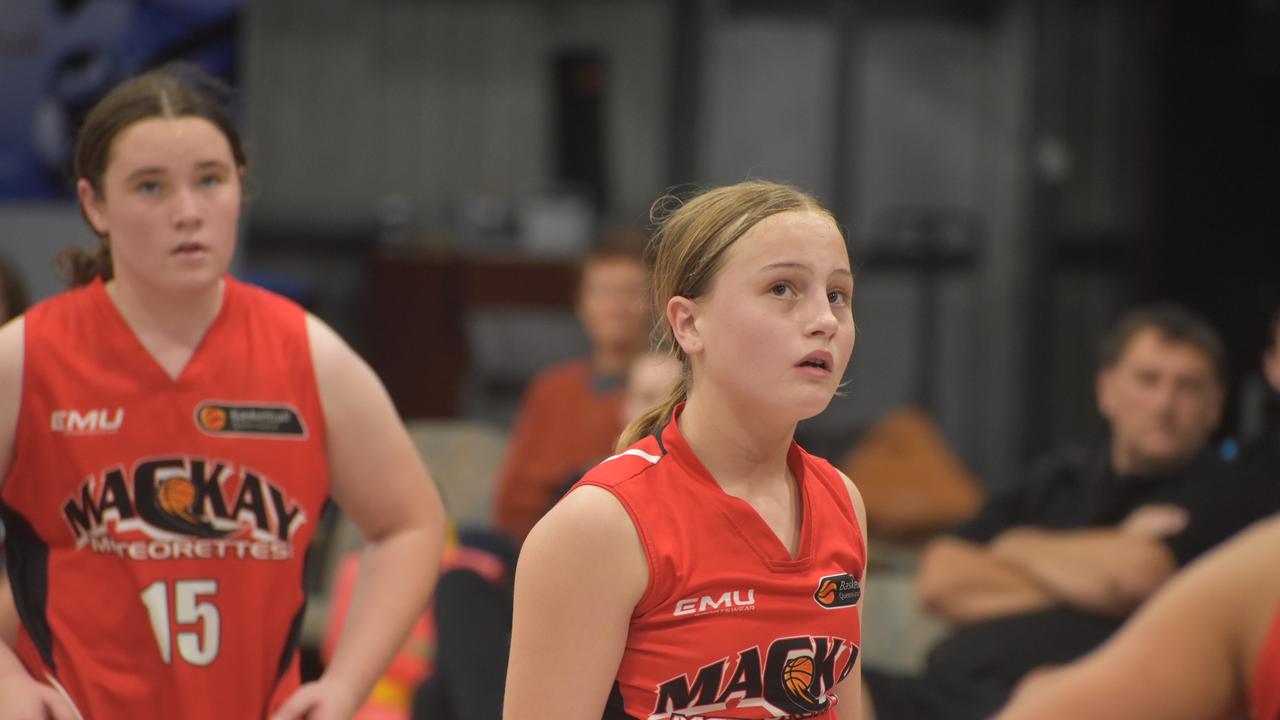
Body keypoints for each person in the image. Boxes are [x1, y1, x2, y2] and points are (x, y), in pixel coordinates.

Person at [0, 66, 446, 720]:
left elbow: (410, 523)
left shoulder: (311, 354)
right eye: (149, 187)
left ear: (239, 185)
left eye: (210, 180)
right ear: (94, 205)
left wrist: (346, 683)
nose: (187, 212)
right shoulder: (25, 356)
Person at [504, 180, 868, 719]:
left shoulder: (842, 499)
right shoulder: (601, 523)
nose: (825, 320)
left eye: (837, 294)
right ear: (689, 323)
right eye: (783, 289)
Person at [862, 303, 1230, 720]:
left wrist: (1008, 554)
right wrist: (1058, 558)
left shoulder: (1222, 492)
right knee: (844, 689)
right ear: (1107, 389)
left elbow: (1132, 579)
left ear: (1214, 406)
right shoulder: (1057, 478)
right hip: (958, 689)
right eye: (1148, 380)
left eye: (1188, 387)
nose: (1165, 403)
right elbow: (940, 578)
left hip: (1080, 702)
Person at [995, 512, 1280, 719]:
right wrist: (1013, 542)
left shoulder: (1217, 498)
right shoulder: (1055, 479)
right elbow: (948, 566)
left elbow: (1134, 576)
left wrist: (1013, 549)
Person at [490, 231, 650, 542]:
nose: (616, 305)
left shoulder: (669, 388)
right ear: (581, 303)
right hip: (535, 543)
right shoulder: (551, 389)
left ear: (657, 302)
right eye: (604, 291)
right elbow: (509, 501)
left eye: (632, 291)